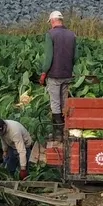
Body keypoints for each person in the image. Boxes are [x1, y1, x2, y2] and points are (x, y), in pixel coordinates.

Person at [38, 10, 76, 138]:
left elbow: (48, 57)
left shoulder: (51, 34)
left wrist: (44, 73)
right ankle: (67, 128)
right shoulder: (72, 35)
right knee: (64, 101)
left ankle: (58, 133)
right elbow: (75, 57)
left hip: (54, 74)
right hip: (67, 74)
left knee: (55, 102)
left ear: (53, 21)